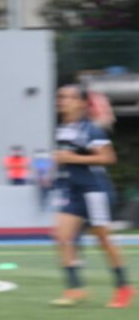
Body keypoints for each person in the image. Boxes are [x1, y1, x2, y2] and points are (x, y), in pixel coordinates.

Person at [50, 85, 133, 308]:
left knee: (103, 240)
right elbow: (65, 159)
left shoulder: (91, 130)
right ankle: (75, 288)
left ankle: (123, 287)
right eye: (60, 96)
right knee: (62, 236)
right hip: (73, 191)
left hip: (95, 191)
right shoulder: (62, 129)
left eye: (69, 97)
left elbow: (108, 158)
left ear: (81, 103)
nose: (62, 100)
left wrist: (72, 159)